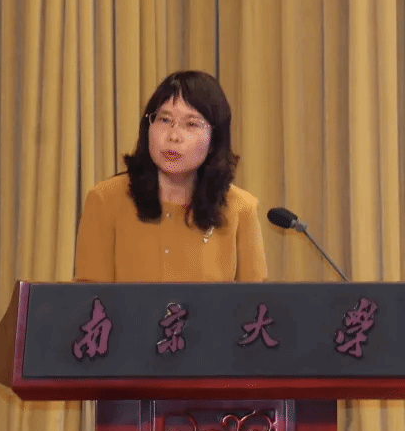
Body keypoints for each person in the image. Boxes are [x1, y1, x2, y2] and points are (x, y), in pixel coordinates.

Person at [74, 70, 268, 283]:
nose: (173, 136)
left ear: (214, 139)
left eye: (191, 124)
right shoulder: (106, 200)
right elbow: (90, 297)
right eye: (165, 120)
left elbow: (256, 300)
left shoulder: (240, 209)